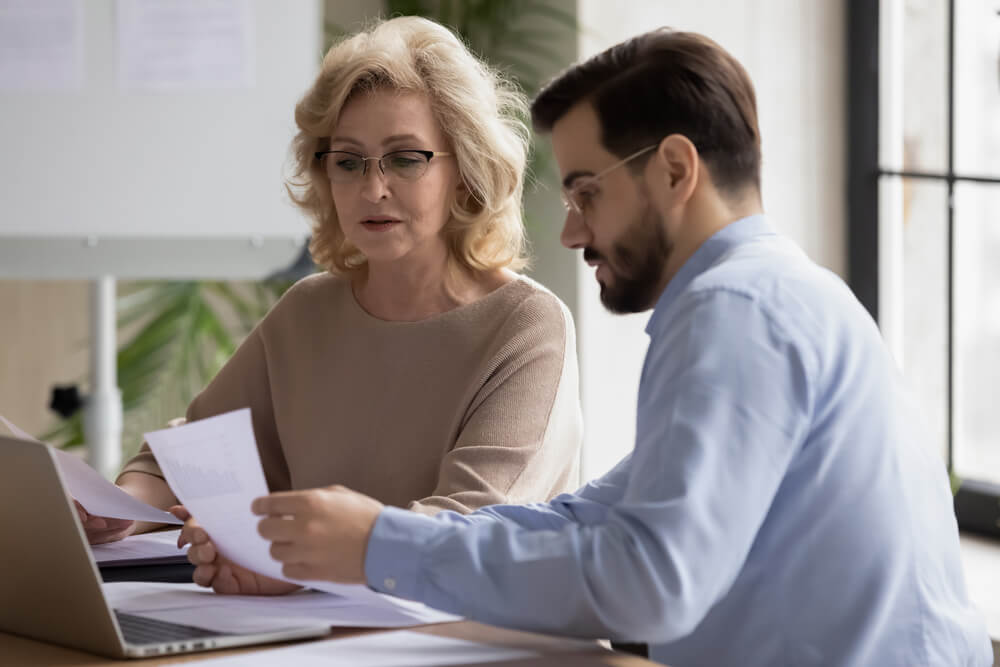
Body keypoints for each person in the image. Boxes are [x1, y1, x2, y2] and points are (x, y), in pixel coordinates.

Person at [196, 27, 991, 664]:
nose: (571, 228)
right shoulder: (768, 293)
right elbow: (594, 514)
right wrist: (360, 542)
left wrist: (377, 543)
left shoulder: (736, 310)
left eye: (585, 191)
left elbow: (652, 582)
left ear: (675, 170)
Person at [80, 15, 583, 591]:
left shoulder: (526, 325)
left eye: (404, 158)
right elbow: (182, 455)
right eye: (348, 161)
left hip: (472, 641)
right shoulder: (308, 311)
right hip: (315, 637)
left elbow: (465, 531)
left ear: (465, 174)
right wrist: (121, 508)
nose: (373, 188)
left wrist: (290, 561)